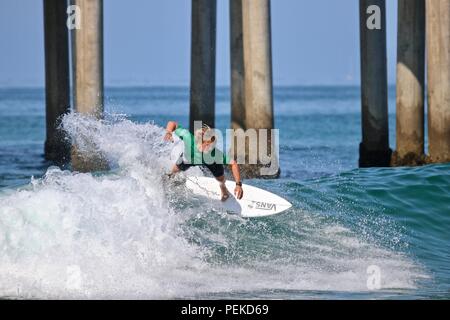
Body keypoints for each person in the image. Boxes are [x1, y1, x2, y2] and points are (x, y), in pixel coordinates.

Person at [164, 121, 243, 201]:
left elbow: (233, 163)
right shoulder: (188, 138)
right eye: (208, 145)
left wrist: (238, 184)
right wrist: (168, 132)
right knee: (173, 172)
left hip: (209, 161)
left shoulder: (214, 154)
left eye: (212, 145)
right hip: (188, 159)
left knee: (220, 178)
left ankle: (223, 189)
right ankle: (167, 180)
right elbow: (172, 123)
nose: (211, 148)